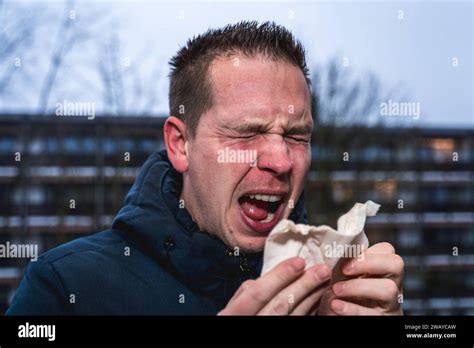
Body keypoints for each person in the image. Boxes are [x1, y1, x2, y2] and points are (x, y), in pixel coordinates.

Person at [7, 21, 403, 315]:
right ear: (181, 145)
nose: (281, 161)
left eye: (297, 137)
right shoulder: (64, 287)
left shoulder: (339, 284)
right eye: (247, 133)